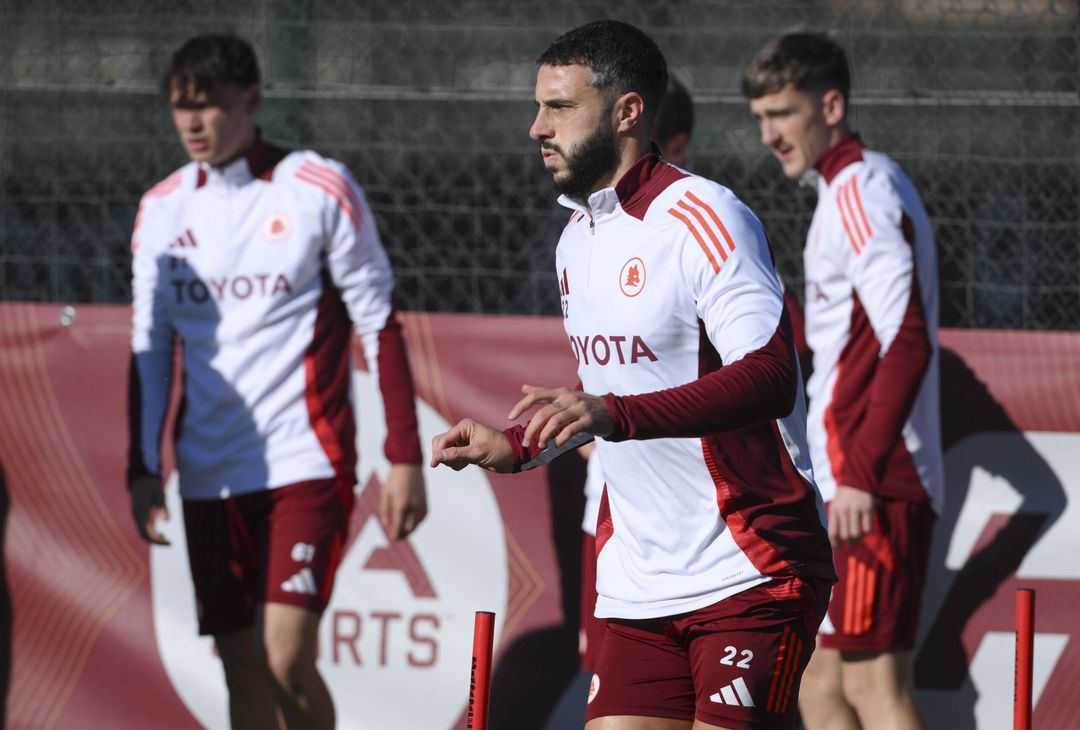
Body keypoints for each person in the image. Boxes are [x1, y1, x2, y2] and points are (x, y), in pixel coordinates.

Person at [432, 20, 835, 730]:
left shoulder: (706, 215)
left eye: (559, 108)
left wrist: (615, 414)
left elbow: (771, 377)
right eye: (538, 107)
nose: (536, 128)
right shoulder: (575, 239)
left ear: (626, 112)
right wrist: (518, 445)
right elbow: (605, 398)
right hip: (637, 581)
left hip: (751, 566)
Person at [126, 34, 427, 730]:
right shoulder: (162, 210)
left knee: (285, 654)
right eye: (180, 108)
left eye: (209, 105)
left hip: (305, 461)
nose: (193, 122)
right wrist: (141, 467)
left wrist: (405, 456)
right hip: (206, 473)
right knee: (242, 668)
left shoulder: (319, 185)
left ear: (253, 101)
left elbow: (379, 322)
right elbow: (149, 350)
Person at [743, 33, 943, 730]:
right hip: (851, 477)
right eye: (760, 117)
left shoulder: (861, 187)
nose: (769, 134)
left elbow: (908, 337)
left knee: (872, 690)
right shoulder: (842, 190)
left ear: (831, 105)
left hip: (875, 483)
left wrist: (860, 469)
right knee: (821, 686)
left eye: (784, 113)